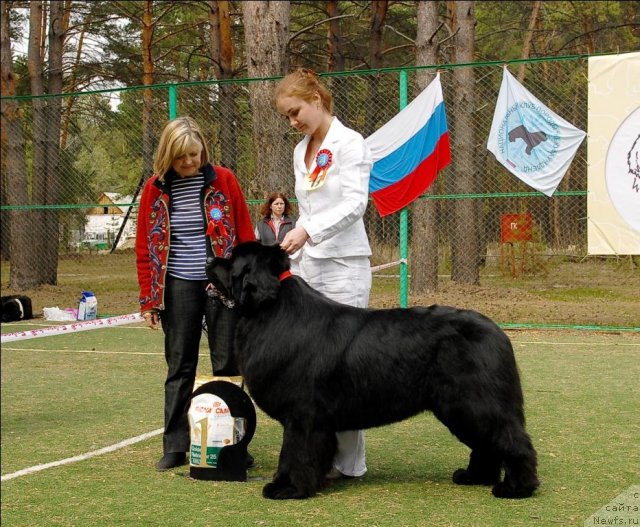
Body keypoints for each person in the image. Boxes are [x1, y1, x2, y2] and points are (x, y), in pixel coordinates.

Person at [135, 116, 255, 471]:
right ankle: (175, 445)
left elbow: (245, 232)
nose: (188, 162)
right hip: (177, 284)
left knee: (228, 365)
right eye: (180, 157)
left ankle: (234, 444)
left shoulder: (224, 180)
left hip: (222, 284)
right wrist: (148, 300)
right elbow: (145, 248)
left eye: (193, 154)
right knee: (179, 366)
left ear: (203, 146)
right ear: (166, 157)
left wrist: (246, 281)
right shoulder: (154, 190)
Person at [274, 68, 372, 480]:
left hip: (345, 266)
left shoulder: (351, 144)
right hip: (307, 267)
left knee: (342, 368)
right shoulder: (301, 152)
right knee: (309, 368)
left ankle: (349, 464)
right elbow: (311, 207)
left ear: (316, 97)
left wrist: (308, 231)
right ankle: (317, 456)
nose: (293, 122)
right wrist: (297, 242)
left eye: (295, 112)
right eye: (287, 117)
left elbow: (354, 204)